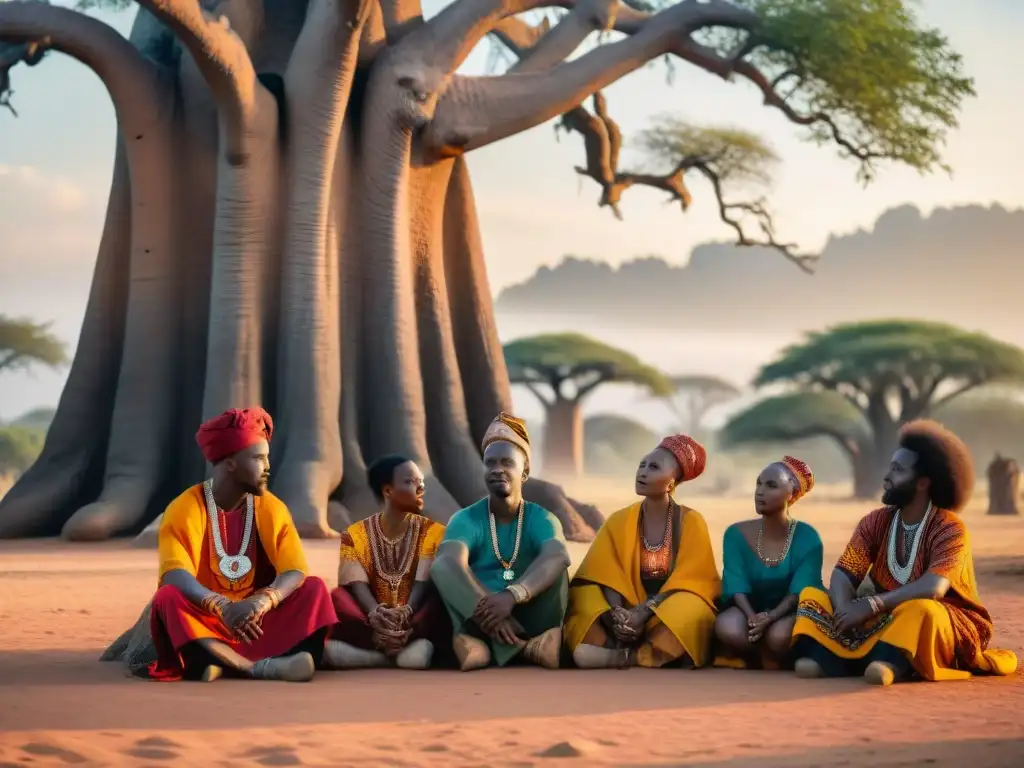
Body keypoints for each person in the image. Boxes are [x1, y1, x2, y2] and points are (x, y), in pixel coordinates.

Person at [792, 420, 1018, 686]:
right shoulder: (875, 522)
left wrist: (872, 604)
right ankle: (846, 659)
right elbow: (844, 572)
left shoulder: (950, 529)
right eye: (890, 467)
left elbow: (933, 587)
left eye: (897, 470)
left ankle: (888, 664)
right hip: (879, 615)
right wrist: (845, 611)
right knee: (812, 596)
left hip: (945, 620)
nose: (887, 477)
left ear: (922, 482)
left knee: (922, 610)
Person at [147, 407, 337, 682]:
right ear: (231, 463)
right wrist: (221, 606)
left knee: (315, 588)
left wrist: (262, 601)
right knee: (167, 598)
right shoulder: (186, 507)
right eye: (259, 458)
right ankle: (259, 667)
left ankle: (218, 663)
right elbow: (175, 573)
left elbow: (294, 570)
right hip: (207, 618)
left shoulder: (271, 507)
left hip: (257, 621)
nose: (268, 467)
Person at [564, 435, 721, 669]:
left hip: (664, 610)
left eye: (654, 467)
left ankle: (632, 656)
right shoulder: (619, 519)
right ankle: (621, 646)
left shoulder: (691, 520)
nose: (643, 472)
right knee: (585, 596)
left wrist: (646, 611)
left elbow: (693, 579)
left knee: (691, 608)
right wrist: (616, 613)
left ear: (671, 483)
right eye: (642, 465)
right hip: (624, 608)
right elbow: (604, 572)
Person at [431, 413, 570, 671]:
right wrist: (491, 613)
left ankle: (483, 647)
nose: (497, 469)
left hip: (528, 615)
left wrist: (511, 595)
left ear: (525, 471)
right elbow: (449, 562)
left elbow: (557, 555)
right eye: (490, 463)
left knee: (557, 565)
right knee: (442, 566)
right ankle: (527, 649)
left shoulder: (542, 518)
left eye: (507, 462)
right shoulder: (466, 518)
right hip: (479, 614)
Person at [326, 454, 451, 669]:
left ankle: (384, 654)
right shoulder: (355, 534)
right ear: (388, 491)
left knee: (440, 600)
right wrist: (375, 613)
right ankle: (389, 655)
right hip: (372, 623)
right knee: (336, 598)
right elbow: (357, 584)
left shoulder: (434, 531)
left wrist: (406, 612)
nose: (420, 487)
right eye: (410, 482)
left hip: (414, 620)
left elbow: (423, 584)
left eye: (421, 481)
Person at [713, 456, 823, 669]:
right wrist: (752, 617)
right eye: (758, 484)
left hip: (788, 611)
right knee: (728, 628)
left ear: (791, 495)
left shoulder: (808, 537)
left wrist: (772, 617)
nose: (760, 491)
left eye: (771, 485)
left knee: (779, 636)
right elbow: (736, 585)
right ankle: (763, 656)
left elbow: (798, 592)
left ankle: (774, 654)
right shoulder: (736, 534)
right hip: (749, 610)